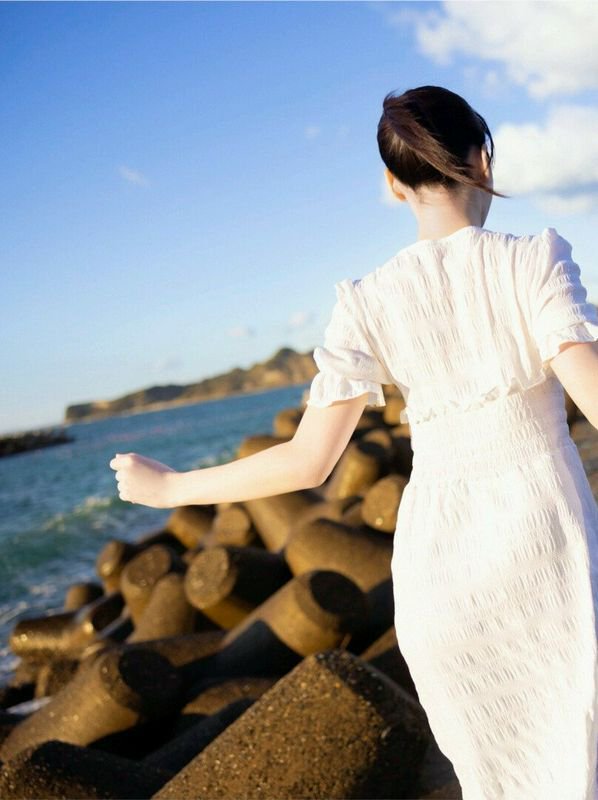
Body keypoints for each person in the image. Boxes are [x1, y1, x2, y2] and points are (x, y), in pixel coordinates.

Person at [110, 84, 598, 798]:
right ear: (483, 161)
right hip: (543, 548)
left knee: (496, 772)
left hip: (439, 567)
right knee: (573, 757)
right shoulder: (534, 259)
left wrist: (171, 488)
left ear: (393, 185)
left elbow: (309, 461)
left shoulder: (368, 302)